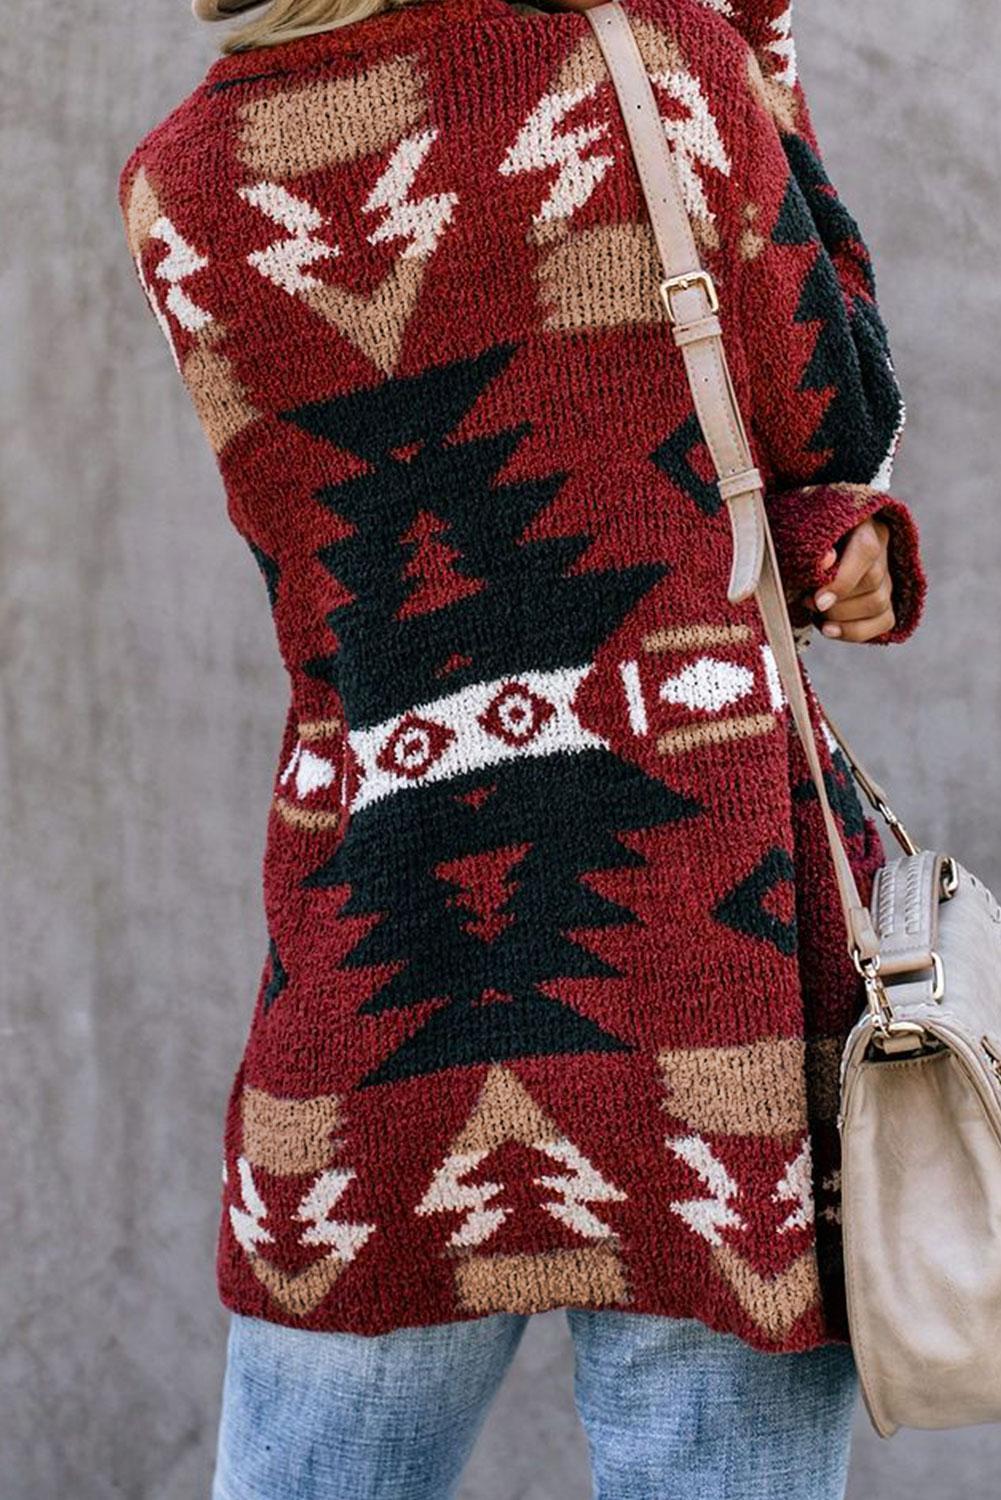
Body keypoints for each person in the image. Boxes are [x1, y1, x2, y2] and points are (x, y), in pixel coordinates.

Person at [118, 0, 927, 1494]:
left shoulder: (181, 189)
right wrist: (758, 55)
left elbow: (384, 577)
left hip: (380, 965)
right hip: (706, 954)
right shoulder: (659, 61)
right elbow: (839, 409)